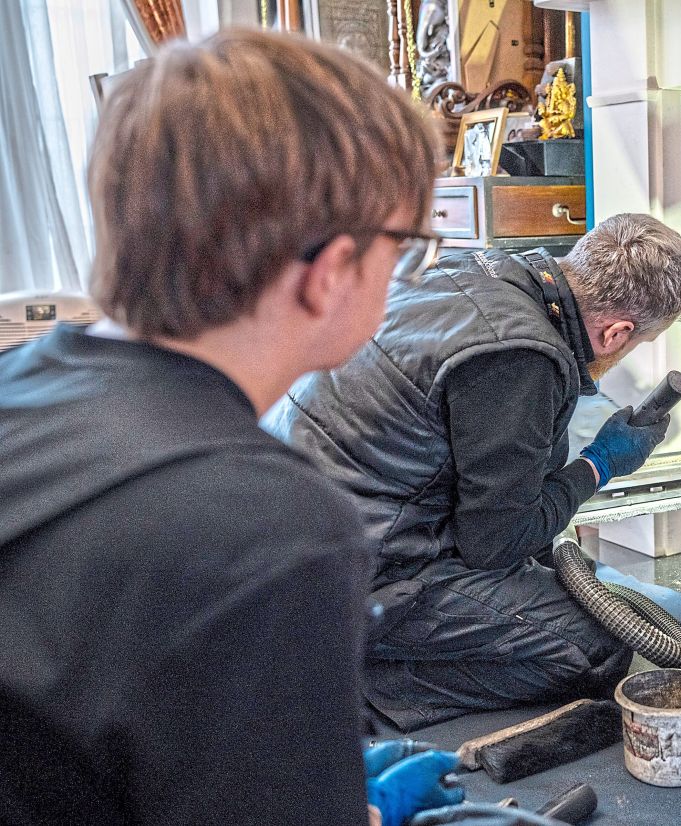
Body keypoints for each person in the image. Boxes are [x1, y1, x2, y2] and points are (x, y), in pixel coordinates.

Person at [0, 29, 460, 826]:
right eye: (404, 249)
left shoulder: (16, 385)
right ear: (329, 275)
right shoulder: (275, 531)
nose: (405, 273)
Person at [266, 214, 681, 731]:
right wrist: (598, 465)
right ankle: (360, 680)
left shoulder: (478, 270)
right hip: (359, 571)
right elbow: (495, 543)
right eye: (639, 343)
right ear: (615, 332)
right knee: (597, 652)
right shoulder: (518, 358)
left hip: (294, 529)